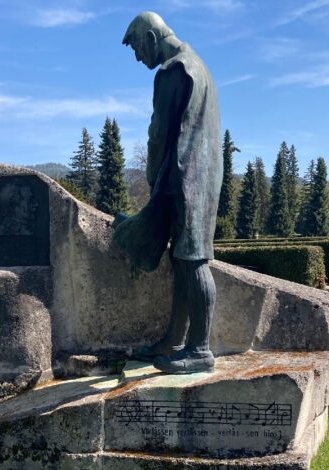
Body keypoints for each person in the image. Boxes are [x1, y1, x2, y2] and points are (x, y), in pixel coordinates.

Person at [114, 11, 222, 374]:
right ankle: (174, 340)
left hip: (186, 178)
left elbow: (159, 133)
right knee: (183, 259)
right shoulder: (199, 66)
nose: (137, 57)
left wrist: (151, 173)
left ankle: (200, 349)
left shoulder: (174, 70)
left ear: (150, 36)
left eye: (136, 48)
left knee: (193, 259)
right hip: (200, 176)